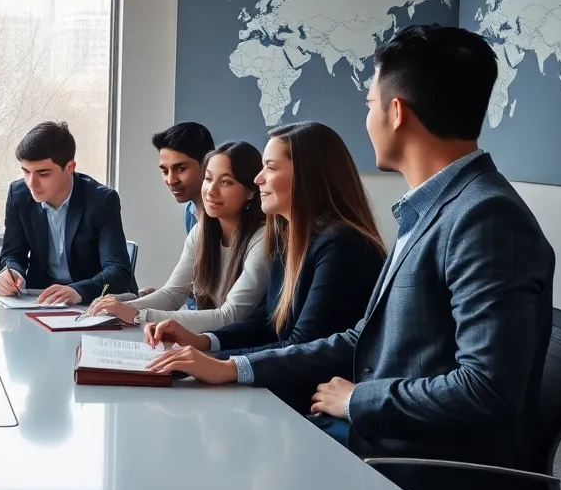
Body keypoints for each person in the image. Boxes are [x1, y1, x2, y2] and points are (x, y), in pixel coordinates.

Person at [149, 25, 555, 490]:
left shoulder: (484, 217)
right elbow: (364, 336)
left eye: (368, 103)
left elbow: (486, 388)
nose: (365, 119)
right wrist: (234, 366)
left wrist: (357, 399)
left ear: (396, 112)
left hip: (425, 476)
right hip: (386, 443)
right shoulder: (433, 210)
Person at [145, 122, 385, 365]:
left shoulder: (341, 245)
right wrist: (204, 342)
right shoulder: (287, 236)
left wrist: (221, 364)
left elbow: (303, 345)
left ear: (307, 175)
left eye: (270, 168)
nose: (258, 179)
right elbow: (267, 322)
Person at [86, 141, 269, 331]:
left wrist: (139, 315)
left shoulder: (262, 238)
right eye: (208, 179)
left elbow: (229, 316)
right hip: (205, 340)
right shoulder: (202, 231)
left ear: (250, 191)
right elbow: (173, 294)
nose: (211, 191)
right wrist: (119, 308)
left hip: (236, 349)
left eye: (226, 182)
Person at [0, 121, 137, 305]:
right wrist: (10, 272)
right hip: (42, 300)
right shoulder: (18, 194)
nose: (31, 183)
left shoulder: (102, 200)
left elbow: (118, 271)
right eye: (26, 171)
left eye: (43, 173)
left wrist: (77, 291)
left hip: (93, 302)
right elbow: (12, 254)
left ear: (70, 167)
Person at [146, 122, 216, 301]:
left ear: (207, 164)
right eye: (165, 171)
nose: (171, 180)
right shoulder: (190, 212)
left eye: (180, 169)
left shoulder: (226, 216)